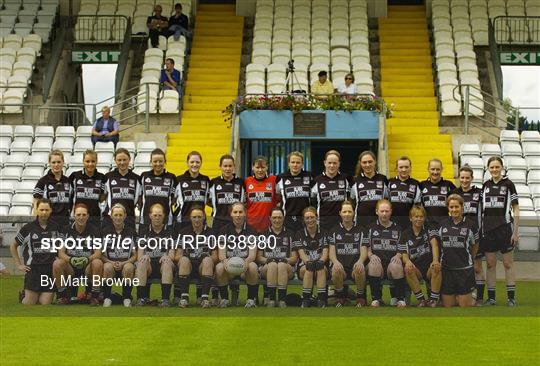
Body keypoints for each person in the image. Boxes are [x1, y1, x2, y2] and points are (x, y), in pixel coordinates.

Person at [480, 157, 519, 307]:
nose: (495, 170)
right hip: (488, 230)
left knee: (508, 264)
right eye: (492, 167)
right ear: (488, 169)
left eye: (497, 167)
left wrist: (515, 231)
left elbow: (516, 208)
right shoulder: (486, 186)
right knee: (490, 264)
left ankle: (511, 298)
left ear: (502, 167)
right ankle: (491, 298)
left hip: (505, 229)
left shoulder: (509, 185)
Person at [10, 199, 60, 305]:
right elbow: (13, 246)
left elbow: (61, 246)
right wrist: (19, 265)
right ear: (36, 210)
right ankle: (24, 295)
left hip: (49, 270)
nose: (44, 212)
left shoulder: (56, 227)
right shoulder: (28, 228)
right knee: (30, 302)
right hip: (33, 270)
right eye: (41, 209)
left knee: (45, 303)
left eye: (46, 210)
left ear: (51, 210)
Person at [53, 203, 103, 305]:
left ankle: (94, 297)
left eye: (84, 215)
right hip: (71, 267)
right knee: (57, 263)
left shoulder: (94, 230)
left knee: (98, 262)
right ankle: (62, 296)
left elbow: (98, 253)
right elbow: (61, 253)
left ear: (88, 216)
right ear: (74, 215)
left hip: (87, 267)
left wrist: (87, 259)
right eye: (78, 214)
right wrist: (71, 260)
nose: (81, 217)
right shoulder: (66, 230)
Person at [437, 194, 479, 308]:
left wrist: (472, 258)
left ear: (462, 207)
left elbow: (475, 244)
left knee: (464, 306)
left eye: (457, 207)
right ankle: (459, 296)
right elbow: (438, 244)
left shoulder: (471, 224)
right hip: (447, 269)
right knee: (448, 305)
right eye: (451, 207)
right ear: (448, 208)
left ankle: (472, 296)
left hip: (464, 270)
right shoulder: (442, 224)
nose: (454, 209)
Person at [362, 199, 405, 307]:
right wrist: (371, 255)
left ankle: (400, 298)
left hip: (391, 265)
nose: (384, 214)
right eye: (382, 211)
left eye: (387, 211)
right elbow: (366, 247)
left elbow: (402, 248)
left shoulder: (398, 228)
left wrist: (398, 255)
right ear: (376, 211)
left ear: (391, 211)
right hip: (378, 265)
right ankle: (376, 298)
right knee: (374, 263)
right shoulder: (370, 228)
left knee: (396, 264)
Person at [215, 202, 259, 308]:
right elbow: (221, 254)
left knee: (253, 266)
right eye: (235, 212)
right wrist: (226, 262)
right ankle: (224, 299)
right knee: (219, 267)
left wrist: (245, 263)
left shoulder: (251, 231)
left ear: (245, 213)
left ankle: (250, 299)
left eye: (240, 212)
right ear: (231, 214)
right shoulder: (223, 230)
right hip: (229, 267)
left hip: (245, 266)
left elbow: (252, 255)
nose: (238, 215)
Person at [451, 165, 484, 305]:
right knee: (461, 265)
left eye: (467, 178)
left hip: (475, 235)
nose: (464, 180)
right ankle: (462, 293)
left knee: (476, 267)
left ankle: (480, 297)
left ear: (472, 178)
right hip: (459, 236)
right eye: (462, 177)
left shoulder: (479, 193)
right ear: (459, 178)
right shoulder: (454, 193)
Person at [399, 205, 441, 307]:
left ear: (424, 218)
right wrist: (408, 261)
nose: (419, 219)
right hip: (416, 269)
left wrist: (435, 260)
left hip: (428, 268)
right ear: (411, 218)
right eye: (416, 216)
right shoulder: (405, 233)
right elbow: (404, 254)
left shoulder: (429, 229)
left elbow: (434, 245)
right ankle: (421, 299)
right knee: (408, 269)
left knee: (437, 267)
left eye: (421, 216)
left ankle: (433, 300)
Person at [175, 206, 217, 308]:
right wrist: (187, 256)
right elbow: (177, 256)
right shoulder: (183, 232)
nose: (197, 220)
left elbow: (215, 256)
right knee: (184, 259)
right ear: (190, 218)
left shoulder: (211, 232)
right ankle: (184, 298)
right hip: (187, 266)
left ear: (204, 217)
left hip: (204, 267)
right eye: (194, 217)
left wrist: (207, 257)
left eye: (199, 217)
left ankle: (205, 299)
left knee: (207, 260)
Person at [135, 203, 176, 307]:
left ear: (164, 216)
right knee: (141, 262)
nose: (157, 218)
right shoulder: (143, 232)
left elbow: (172, 254)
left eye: (160, 215)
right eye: (155, 215)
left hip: (163, 265)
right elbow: (139, 255)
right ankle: (141, 298)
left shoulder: (170, 232)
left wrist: (167, 257)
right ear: (150, 216)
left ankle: (165, 299)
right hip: (149, 265)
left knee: (167, 262)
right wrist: (144, 256)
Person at [329, 201, 368, 307]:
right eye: (344, 211)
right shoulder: (334, 230)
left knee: (360, 268)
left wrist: (360, 261)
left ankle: (360, 298)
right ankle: (340, 298)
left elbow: (364, 250)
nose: (347, 214)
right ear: (340, 213)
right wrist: (335, 262)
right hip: (341, 266)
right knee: (336, 270)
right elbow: (331, 252)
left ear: (354, 213)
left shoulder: (361, 230)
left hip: (354, 266)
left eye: (349, 211)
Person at [257, 207, 297, 308]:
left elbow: (294, 258)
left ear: (283, 218)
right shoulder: (263, 234)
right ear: (270, 218)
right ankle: (272, 299)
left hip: (286, 268)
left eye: (279, 217)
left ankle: (282, 300)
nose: (277, 220)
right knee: (273, 265)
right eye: (274, 217)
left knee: (281, 265)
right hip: (267, 268)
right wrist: (268, 260)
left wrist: (284, 260)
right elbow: (259, 257)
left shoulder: (290, 234)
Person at [101, 203, 138, 307]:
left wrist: (124, 263)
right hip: (110, 263)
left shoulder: (132, 232)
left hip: (125, 263)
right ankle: (107, 298)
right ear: (111, 216)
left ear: (125, 216)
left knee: (129, 267)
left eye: (120, 215)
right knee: (107, 267)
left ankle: (126, 298)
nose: (118, 218)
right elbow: (100, 255)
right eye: (116, 215)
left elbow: (135, 255)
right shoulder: (104, 232)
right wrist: (111, 262)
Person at [294, 207, 328, 308]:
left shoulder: (324, 232)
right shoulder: (299, 234)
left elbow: (325, 252)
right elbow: (301, 254)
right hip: (304, 266)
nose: (310, 220)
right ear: (304, 220)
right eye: (307, 218)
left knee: (320, 268)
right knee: (309, 268)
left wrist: (321, 261)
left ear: (316, 218)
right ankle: (306, 300)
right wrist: (309, 262)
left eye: (312, 217)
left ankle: (321, 300)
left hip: (320, 264)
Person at [275, 151, 314, 231]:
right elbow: (278, 195)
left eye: (298, 162)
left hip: (306, 218)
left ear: (302, 164)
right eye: (293, 162)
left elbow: (314, 196)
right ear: (288, 163)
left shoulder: (310, 176)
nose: (295, 165)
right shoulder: (281, 177)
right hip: (287, 218)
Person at [312, 150, 351, 230]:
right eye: (329, 163)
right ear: (324, 163)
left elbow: (351, 199)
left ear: (339, 164)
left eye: (335, 163)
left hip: (342, 224)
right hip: (322, 224)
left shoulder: (346, 179)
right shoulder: (317, 180)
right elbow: (312, 202)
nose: (332, 166)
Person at [33, 150, 72, 228]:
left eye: (59, 162)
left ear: (63, 162)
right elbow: (35, 202)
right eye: (53, 162)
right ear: (49, 163)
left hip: (65, 222)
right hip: (49, 222)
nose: (56, 165)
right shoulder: (43, 181)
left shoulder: (68, 181)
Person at [139, 148, 177, 229]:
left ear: (165, 162)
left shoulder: (172, 177)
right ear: (151, 162)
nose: (158, 164)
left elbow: (174, 199)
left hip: (166, 220)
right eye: (155, 161)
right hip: (146, 220)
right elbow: (139, 197)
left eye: (160, 161)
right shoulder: (144, 176)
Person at [69, 149, 107, 227]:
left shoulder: (102, 177)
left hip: (95, 218)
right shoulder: (75, 176)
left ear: (96, 161)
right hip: (78, 217)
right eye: (87, 161)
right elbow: (69, 196)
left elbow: (102, 198)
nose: (90, 164)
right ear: (83, 161)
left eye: (93, 161)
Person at [104, 148, 141, 228]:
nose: (122, 162)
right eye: (119, 160)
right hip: (110, 219)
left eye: (125, 160)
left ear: (130, 159)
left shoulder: (136, 179)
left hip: (129, 219)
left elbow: (139, 200)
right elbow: (102, 198)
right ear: (115, 160)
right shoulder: (107, 177)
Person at [350, 151, 388, 226]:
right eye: (364, 162)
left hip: (380, 222)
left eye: (370, 162)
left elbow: (387, 200)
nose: (367, 165)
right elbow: (352, 202)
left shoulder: (383, 179)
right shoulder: (355, 180)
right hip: (361, 222)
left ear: (375, 162)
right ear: (360, 164)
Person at [208, 154, 245, 231]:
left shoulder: (241, 182)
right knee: (218, 243)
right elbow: (207, 200)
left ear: (234, 166)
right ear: (220, 166)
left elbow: (245, 201)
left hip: (236, 222)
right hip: (218, 221)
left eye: (230, 166)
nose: (228, 169)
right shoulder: (214, 182)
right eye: (225, 166)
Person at [174, 151, 210, 229]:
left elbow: (209, 200)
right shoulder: (179, 180)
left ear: (201, 163)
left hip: (200, 222)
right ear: (187, 163)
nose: (195, 164)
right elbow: (172, 200)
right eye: (192, 162)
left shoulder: (206, 180)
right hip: (182, 222)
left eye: (197, 162)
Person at [419, 158, 456, 228]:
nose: (435, 172)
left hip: (445, 226)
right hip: (426, 226)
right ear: (428, 169)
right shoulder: (422, 185)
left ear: (442, 169)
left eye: (438, 169)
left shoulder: (448, 185)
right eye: (432, 169)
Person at [244, 155, 277, 233]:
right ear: (252, 168)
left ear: (267, 167)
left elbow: (279, 197)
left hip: (269, 225)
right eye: (257, 167)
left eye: (262, 167)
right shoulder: (247, 181)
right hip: (251, 224)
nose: (260, 170)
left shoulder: (273, 180)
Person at [387, 156, 421, 229]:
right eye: (401, 167)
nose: (404, 170)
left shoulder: (416, 184)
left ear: (410, 168)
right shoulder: (389, 182)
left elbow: (417, 206)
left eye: (406, 167)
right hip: (391, 223)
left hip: (409, 224)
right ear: (396, 168)